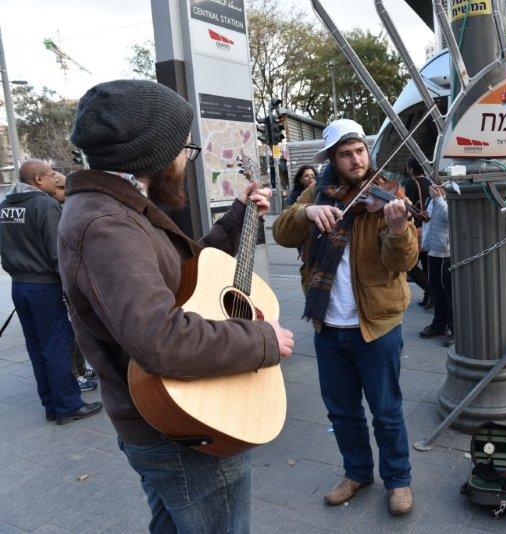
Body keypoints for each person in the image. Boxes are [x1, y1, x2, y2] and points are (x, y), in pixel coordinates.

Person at [61, 79, 295, 533]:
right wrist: (262, 339)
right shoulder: (109, 224)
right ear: (151, 154)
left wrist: (236, 221)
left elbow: (183, 282)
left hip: (174, 420)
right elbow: (160, 338)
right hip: (181, 430)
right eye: (184, 148)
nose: (186, 158)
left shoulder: (115, 208)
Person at [272, 118, 417, 516]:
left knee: (386, 410)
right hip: (327, 326)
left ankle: (398, 479)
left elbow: (403, 262)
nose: (355, 160)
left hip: (377, 326)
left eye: (360, 152)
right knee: (341, 410)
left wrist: (398, 228)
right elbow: (283, 233)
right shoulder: (314, 193)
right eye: (345, 154)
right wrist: (307, 213)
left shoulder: (390, 193)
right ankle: (356, 472)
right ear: (332, 160)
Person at [0, 160, 102, 424]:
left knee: (36, 348)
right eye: (50, 175)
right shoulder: (43, 205)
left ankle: (51, 405)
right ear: (38, 180)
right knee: (57, 345)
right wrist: (73, 290)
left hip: (19, 286)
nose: (55, 178)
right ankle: (68, 407)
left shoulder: (4, 208)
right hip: (44, 288)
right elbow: (59, 255)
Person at [49, 171, 98, 392]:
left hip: (40, 283)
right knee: (66, 335)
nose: (66, 196)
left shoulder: (60, 208)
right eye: (62, 191)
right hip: (55, 284)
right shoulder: (51, 209)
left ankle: (79, 369)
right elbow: (55, 254)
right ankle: (76, 375)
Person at [420, 183, 454, 346]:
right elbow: (430, 220)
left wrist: (439, 199)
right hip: (433, 249)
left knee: (448, 293)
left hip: (445, 252)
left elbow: (452, 218)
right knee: (436, 290)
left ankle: (454, 329)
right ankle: (439, 324)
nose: (433, 185)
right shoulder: (432, 199)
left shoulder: (452, 195)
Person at [403, 157, 432, 310]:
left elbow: (407, 207)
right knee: (428, 266)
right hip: (430, 230)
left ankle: (431, 292)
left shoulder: (410, 184)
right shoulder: (430, 183)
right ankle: (430, 296)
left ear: (412, 169)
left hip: (417, 231)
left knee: (410, 266)